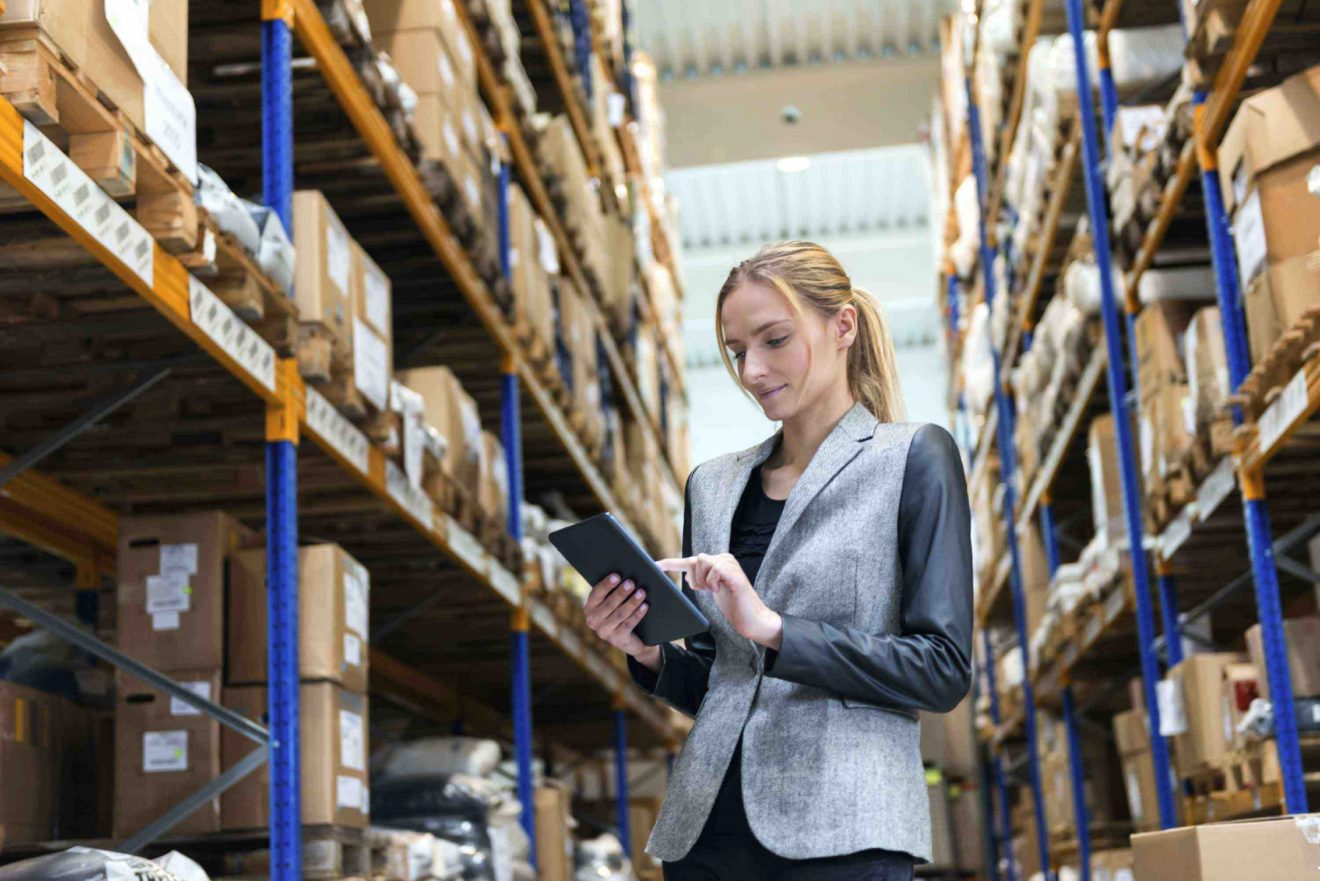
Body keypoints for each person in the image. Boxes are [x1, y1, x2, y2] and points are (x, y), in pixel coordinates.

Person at [583, 241, 973, 880]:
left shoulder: (911, 460)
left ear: (842, 325)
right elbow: (722, 681)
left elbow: (941, 669)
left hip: (844, 833)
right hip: (706, 833)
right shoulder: (711, 485)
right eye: (738, 351)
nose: (753, 370)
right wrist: (649, 651)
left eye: (774, 340)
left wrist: (774, 629)